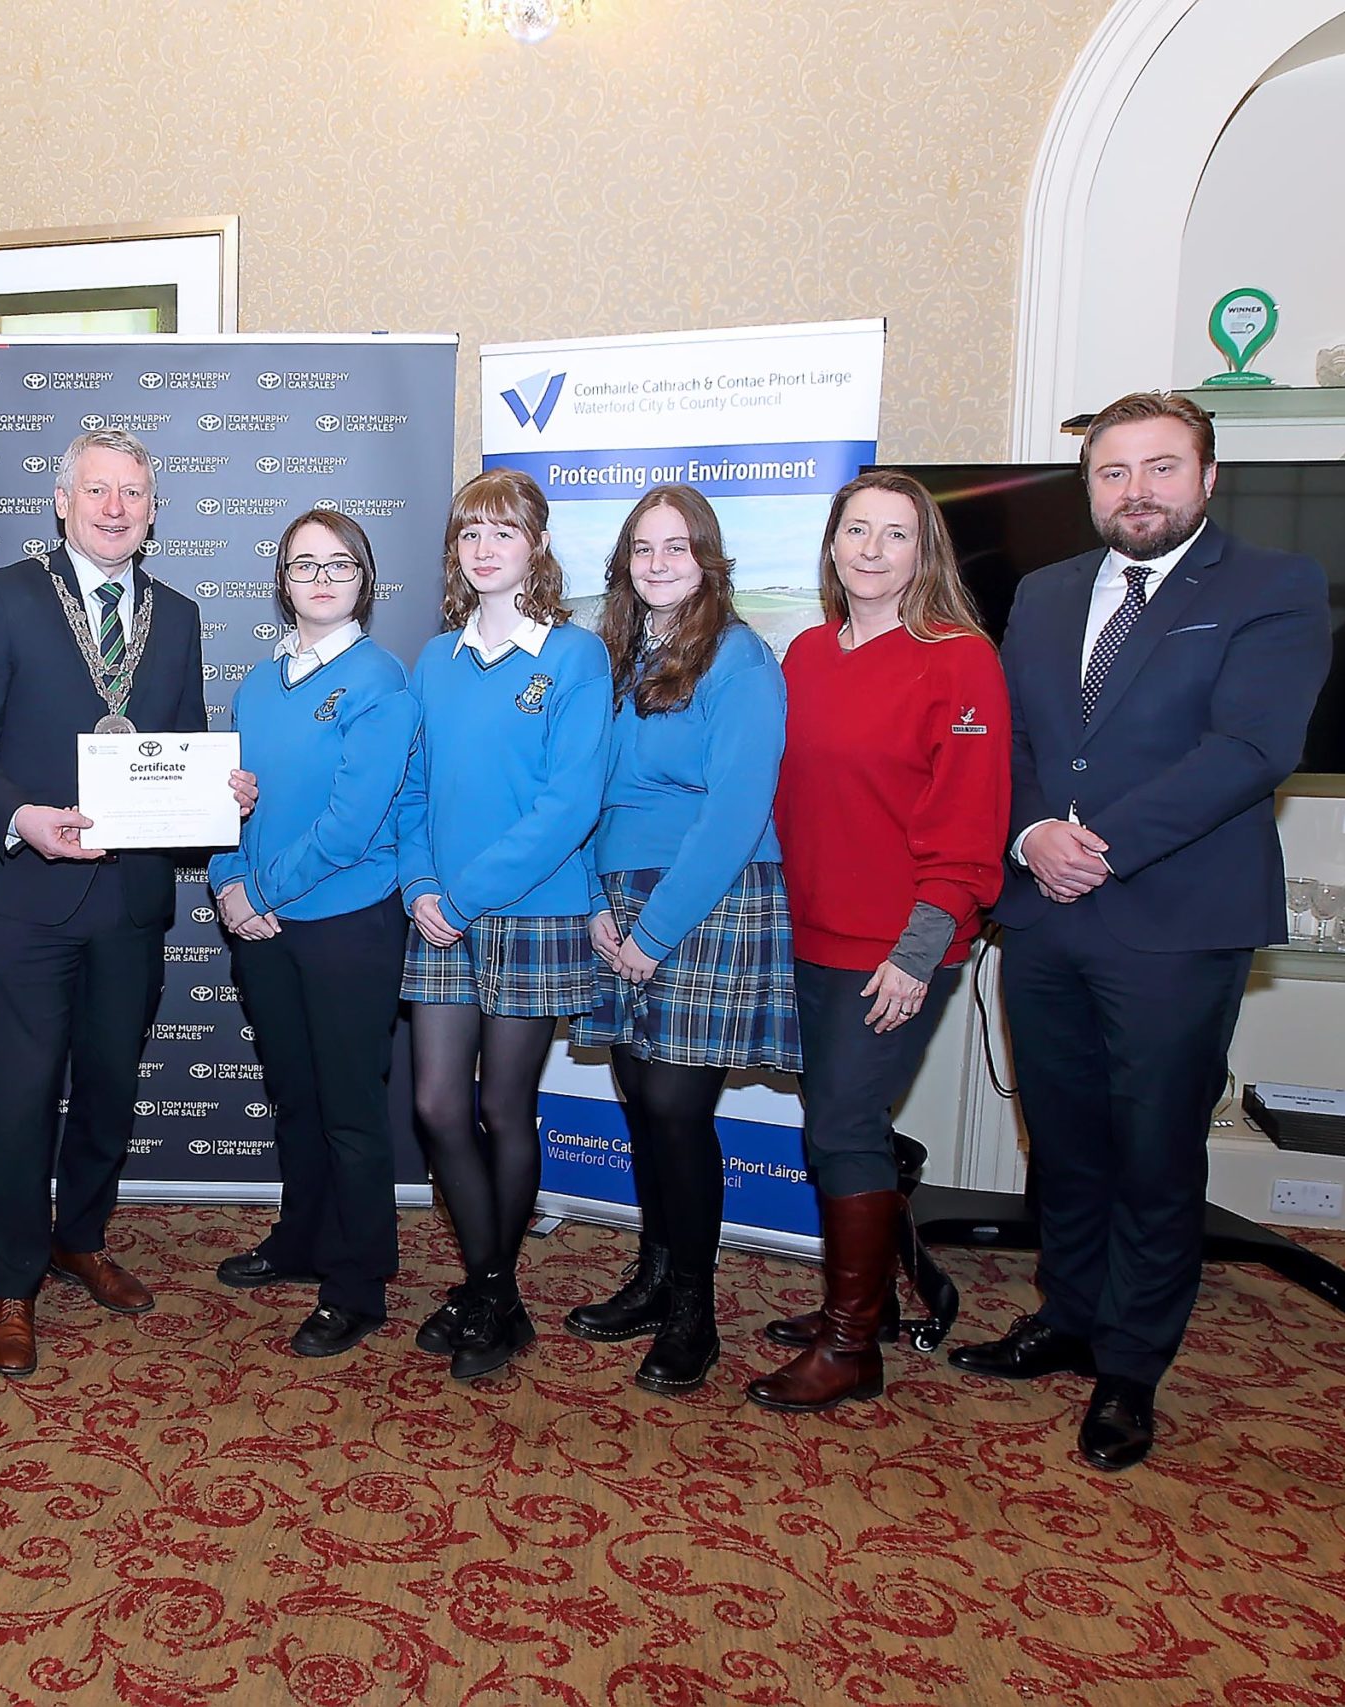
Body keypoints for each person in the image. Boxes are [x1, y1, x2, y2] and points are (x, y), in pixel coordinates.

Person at [949, 392, 1330, 1471]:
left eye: (1161, 469)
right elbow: (1013, 739)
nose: (1136, 492)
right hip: (1044, 911)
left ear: (1207, 479)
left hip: (1173, 913)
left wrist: (1096, 844)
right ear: (1089, 488)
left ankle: (1129, 1366)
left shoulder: (1272, 586)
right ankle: (1068, 1318)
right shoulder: (1043, 590)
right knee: (1061, 1139)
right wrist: (1028, 833)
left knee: (1153, 1149)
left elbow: (1251, 748)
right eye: (1113, 473)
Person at [0, 427, 246, 1379]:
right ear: (62, 502)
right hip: (31, 899)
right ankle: (11, 1286)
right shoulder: (4, 596)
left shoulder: (179, 614)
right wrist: (21, 817)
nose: (116, 508)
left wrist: (215, 798)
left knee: (109, 1089)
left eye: (134, 493)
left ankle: (81, 1237)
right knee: (21, 1100)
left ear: (153, 510)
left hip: (133, 905)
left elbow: (182, 744)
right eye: (98, 491)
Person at [746, 472, 1008, 1413]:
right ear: (831, 543)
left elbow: (972, 827)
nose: (871, 548)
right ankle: (866, 1305)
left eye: (894, 534)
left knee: (844, 1127)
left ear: (922, 552)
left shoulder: (959, 659)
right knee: (837, 1122)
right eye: (856, 529)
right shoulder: (809, 652)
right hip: (807, 935)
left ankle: (854, 1344)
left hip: (896, 946)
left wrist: (916, 949)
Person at [567, 484, 799, 1397]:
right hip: (614, 894)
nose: (659, 563)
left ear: (709, 557)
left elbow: (739, 810)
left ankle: (694, 1309)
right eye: (642, 549)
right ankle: (655, 1276)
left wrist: (655, 932)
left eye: (677, 547)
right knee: (636, 1093)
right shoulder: (615, 654)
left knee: (675, 1106)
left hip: (708, 896)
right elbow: (584, 787)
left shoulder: (740, 659)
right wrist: (593, 901)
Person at [397, 469, 612, 1384]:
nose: (484, 548)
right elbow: (413, 792)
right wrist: (418, 887)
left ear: (536, 545)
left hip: (533, 912)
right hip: (438, 913)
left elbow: (570, 804)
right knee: (437, 1104)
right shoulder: (432, 661)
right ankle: (496, 1290)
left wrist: (465, 893)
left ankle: (491, 1289)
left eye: (503, 531)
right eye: (470, 533)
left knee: (499, 1106)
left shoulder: (573, 656)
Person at [207, 509, 417, 1359]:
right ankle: (300, 1238)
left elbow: (353, 825)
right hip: (262, 922)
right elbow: (227, 797)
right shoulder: (258, 682)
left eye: (339, 563)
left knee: (350, 1110)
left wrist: (256, 888)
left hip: (345, 924)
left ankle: (358, 1280)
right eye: (304, 565)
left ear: (364, 578)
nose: (322, 578)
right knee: (294, 1095)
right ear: (283, 581)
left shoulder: (382, 680)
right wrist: (227, 879)